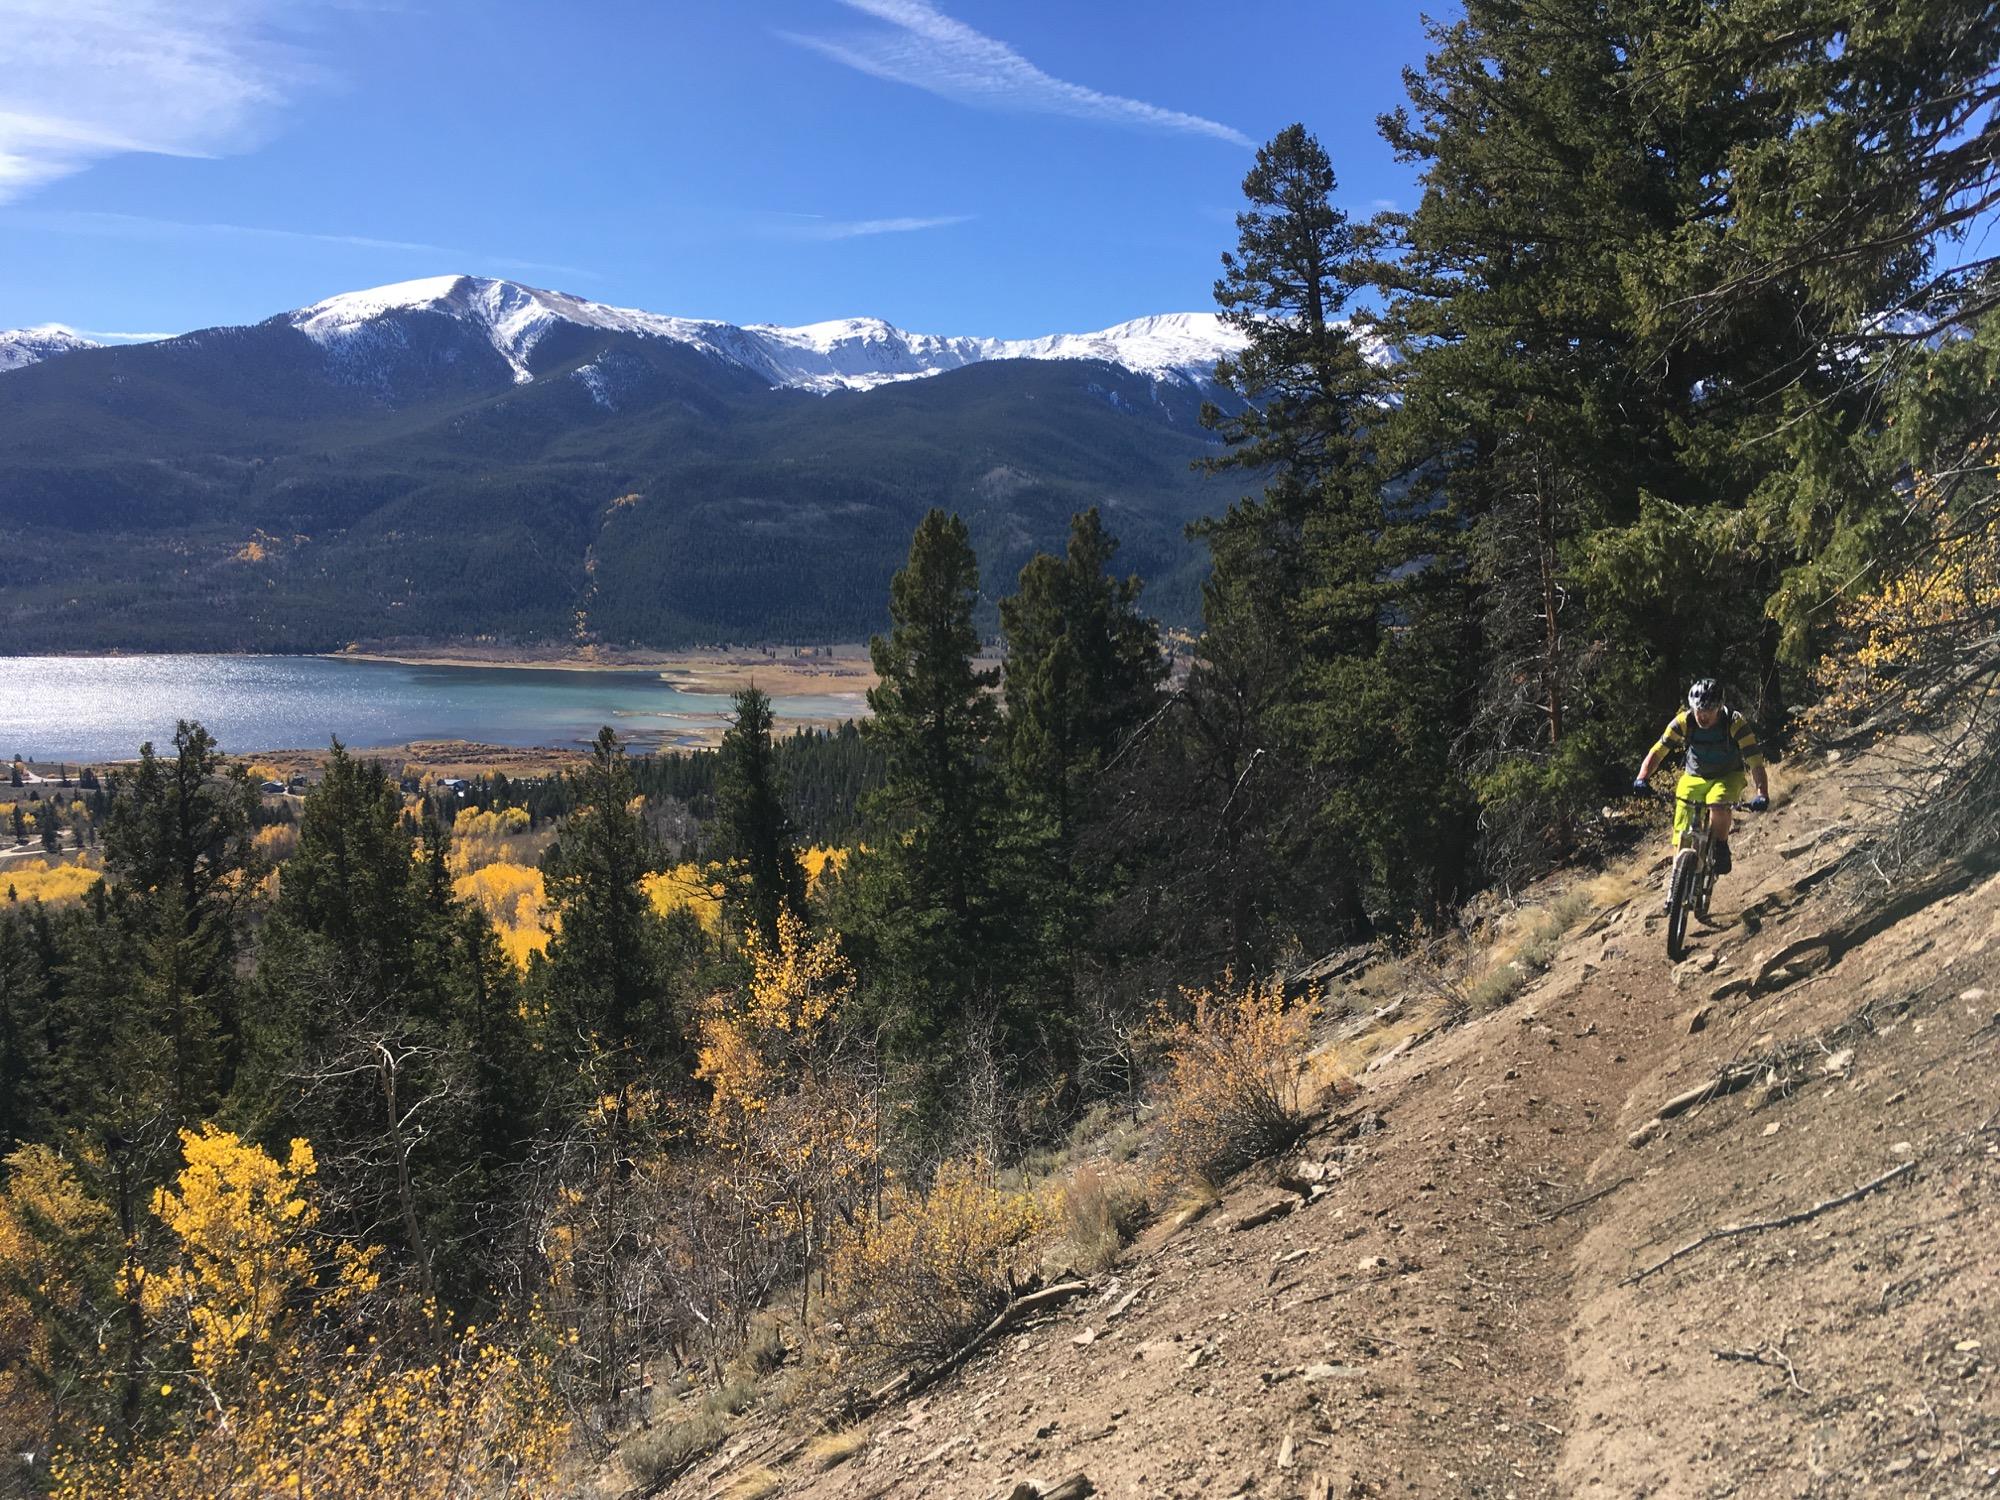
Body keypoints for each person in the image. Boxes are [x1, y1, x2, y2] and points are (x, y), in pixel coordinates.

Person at [1632, 679, 1769, 886]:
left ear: (1718, 707)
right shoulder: (1684, 721)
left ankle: (1721, 846)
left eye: (1709, 710)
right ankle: (1677, 881)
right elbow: (1659, 750)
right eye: (1698, 710)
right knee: (1683, 812)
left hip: (1727, 775)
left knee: (1718, 804)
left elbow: (1754, 760)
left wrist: (1762, 792)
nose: (1702, 715)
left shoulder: (1734, 722)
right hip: (1694, 775)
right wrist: (1642, 777)